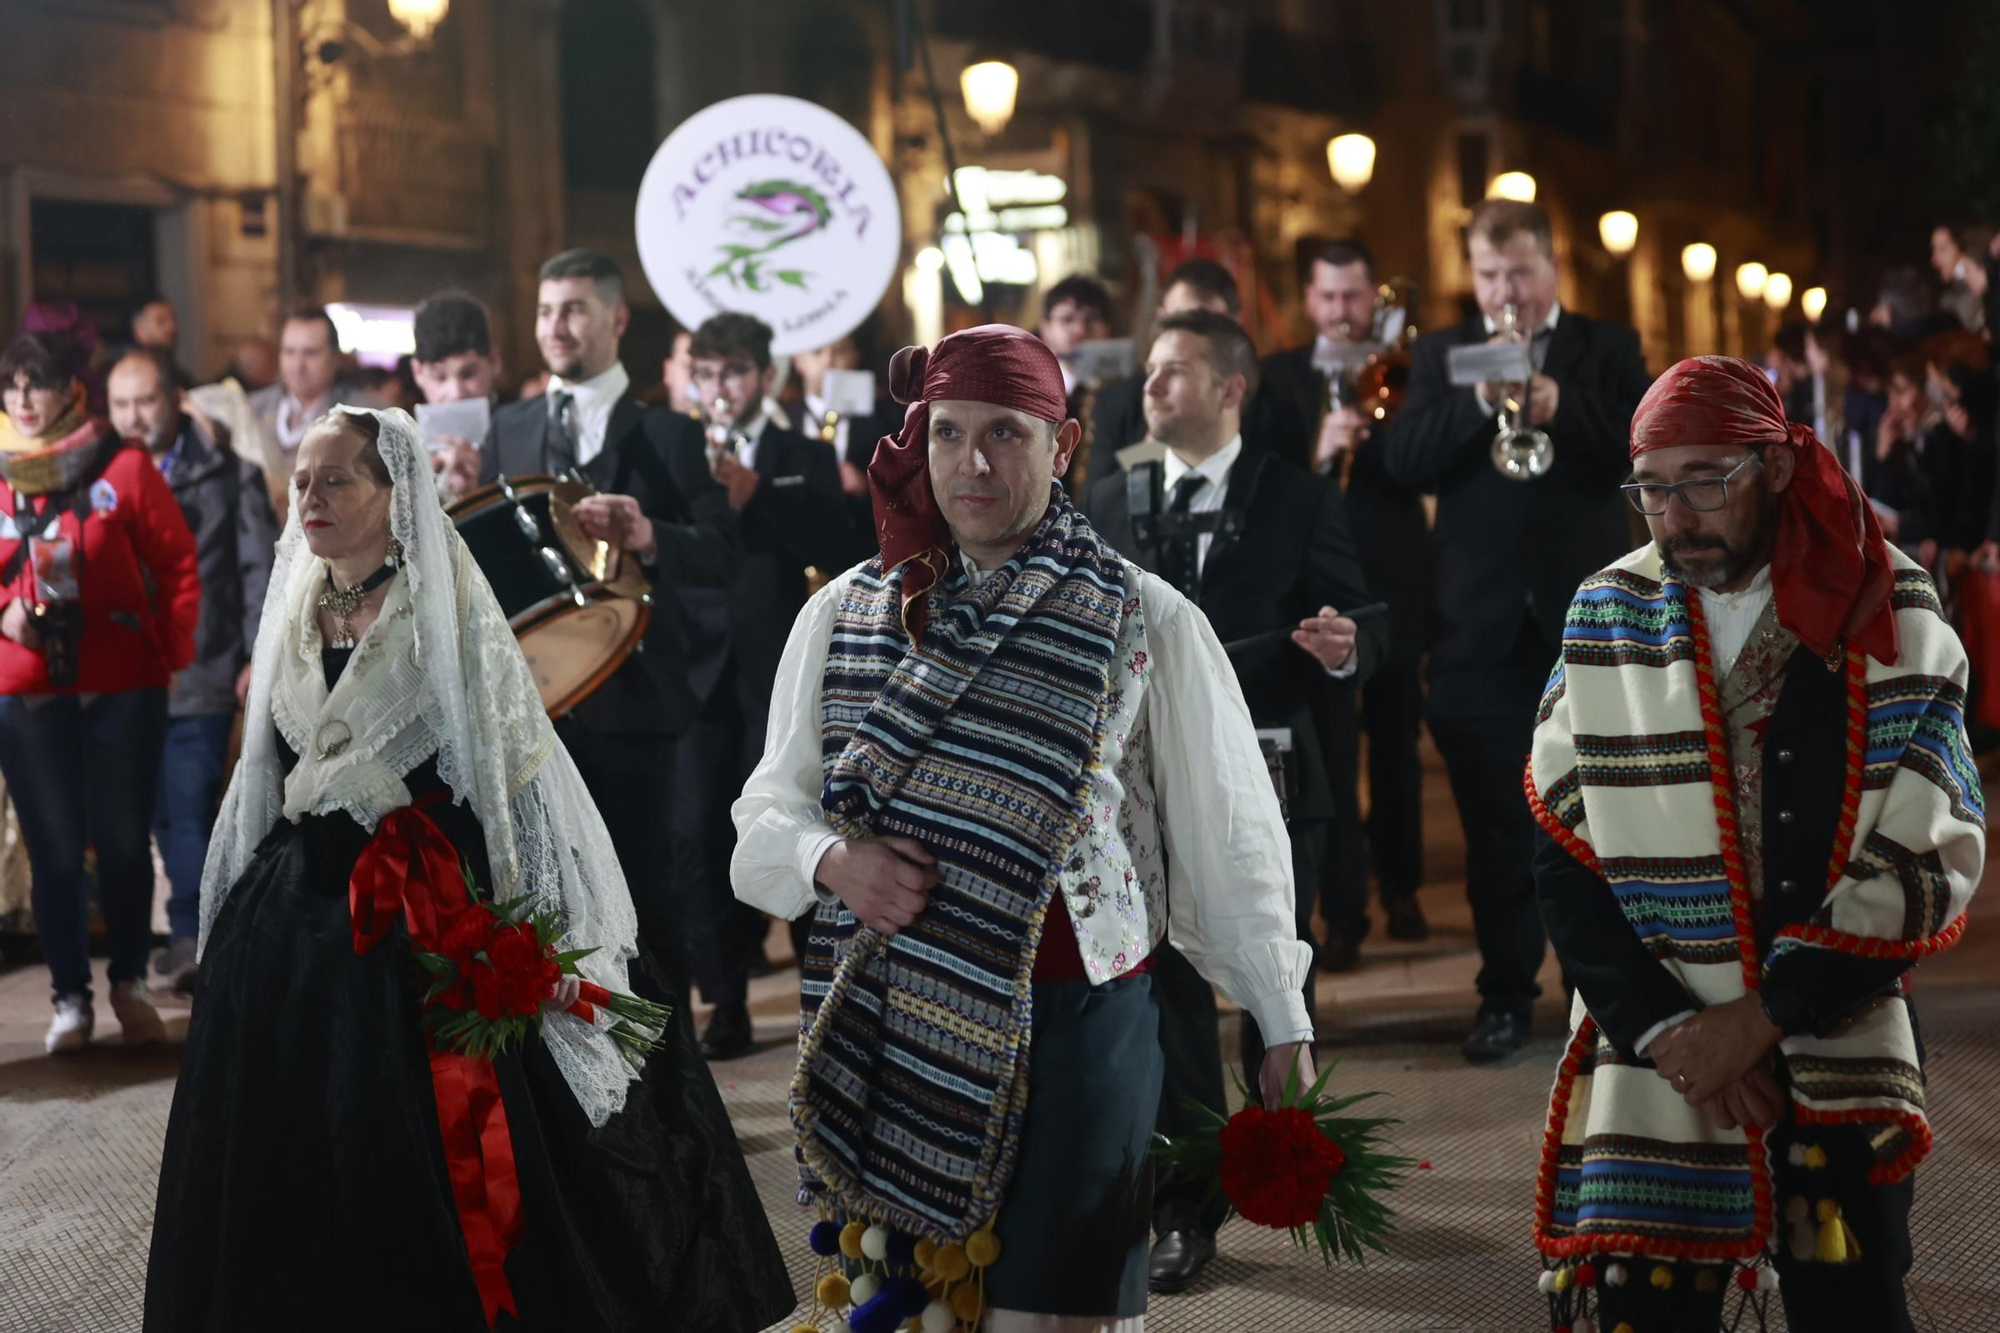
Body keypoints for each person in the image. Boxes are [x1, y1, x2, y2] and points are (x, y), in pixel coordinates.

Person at [144, 406, 790, 1332]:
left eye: (339, 480)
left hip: (427, 897)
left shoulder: (442, 604)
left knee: (464, 1141)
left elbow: (505, 766)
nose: (313, 499)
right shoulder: (292, 606)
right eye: (302, 482)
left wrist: (514, 921)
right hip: (296, 913)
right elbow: (265, 776)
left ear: (394, 492)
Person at [733, 323, 1315, 1331]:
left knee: (1061, 1312)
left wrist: (1278, 1010)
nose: (972, 461)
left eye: (1004, 433)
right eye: (948, 433)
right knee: (914, 1309)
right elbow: (764, 812)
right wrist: (832, 860)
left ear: (1065, 441)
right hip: (898, 1022)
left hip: (1083, 1025)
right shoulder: (844, 613)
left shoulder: (1143, 615)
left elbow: (1229, 832)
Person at [1526, 355, 1981, 1333]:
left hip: (1828, 1028)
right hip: (1657, 1047)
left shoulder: (1885, 609)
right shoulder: (1602, 615)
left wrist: (1759, 1019)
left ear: (1773, 469)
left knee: (1848, 1300)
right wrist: (1671, 1031)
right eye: (1650, 488)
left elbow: (1922, 852)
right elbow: (1562, 850)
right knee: (1648, 1311)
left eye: (1704, 480)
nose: (1674, 514)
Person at [1081, 309, 1383, 1296]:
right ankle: (1184, 1206)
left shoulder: (1294, 495)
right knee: (1163, 995)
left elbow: (1362, 614)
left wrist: (1350, 643)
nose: (1148, 390)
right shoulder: (1108, 495)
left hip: (1270, 770)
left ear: (1230, 389)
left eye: (1172, 373)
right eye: (1147, 374)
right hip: (1141, 785)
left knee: (1267, 985)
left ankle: (1287, 1166)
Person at [1385, 198, 1652, 1064]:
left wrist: (1557, 400)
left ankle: (1598, 998)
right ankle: (1504, 993)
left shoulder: (1605, 348)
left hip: (1589, 626)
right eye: (1490, 274)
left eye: (1520, 272)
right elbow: (1404, 458)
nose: (1505, 290)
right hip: (1478, 630)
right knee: (1495, 829)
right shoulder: (1443, 354)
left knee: (1598, 825)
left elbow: (1637, 451)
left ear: (1554, 267)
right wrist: (1479, 401)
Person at [479, 248, 740, 1002]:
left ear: (616, 319)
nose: (555, 326)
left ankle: (667, 1095)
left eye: (574, 309)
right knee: (546, 905)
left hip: (639, 708)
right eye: (544, 310)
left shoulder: (672, 436)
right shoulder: (511, 427)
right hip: (534, 716)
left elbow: (723, 555)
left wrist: (650, 533)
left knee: (649, 903)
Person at [0, 332, 200, 1054]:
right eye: (12, 383)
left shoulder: (123, 464)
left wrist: (168, 652)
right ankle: (69, 998)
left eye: (38, 382)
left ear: (71, 391)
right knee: (54, 850)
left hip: (121, 683)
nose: (23, 398)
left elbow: (179, 563)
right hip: (26, 688)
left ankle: (130, 982)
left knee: (120, 840)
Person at [674, 311, 852, 1059]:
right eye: (707, 374)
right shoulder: (676, 449)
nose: (720, 389)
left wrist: (759, 496)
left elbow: (840, 542)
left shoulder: (802, 454)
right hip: (694, 674)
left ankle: (823, 994)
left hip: (778, 673)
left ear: (765, 375)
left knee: (796, 821)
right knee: (697, 834)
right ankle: (726, 999)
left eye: (735, 373)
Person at [1263, 238, 1434, 958]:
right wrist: (1318, 453)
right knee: (1328, 750)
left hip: (1392, 581)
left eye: (1353, 297)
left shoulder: (1406, 370)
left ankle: (1403, 886)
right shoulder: (1278, 378)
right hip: (1315, 595)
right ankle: (1343, 910)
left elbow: (1427, 464)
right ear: (1308, 299)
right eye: (1327, 296)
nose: (1340, 310)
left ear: (1373, 299)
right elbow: (1268, 478)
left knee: (1396, 743)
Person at [107, 348, 278, 994]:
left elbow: (257, 566)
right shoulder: (105, 475)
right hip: (126, 673)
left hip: (202, 665)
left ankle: (192, 937)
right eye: (120, 404)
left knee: (189, 803)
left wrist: (258, 651)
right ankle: (191, 934)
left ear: (175, 399)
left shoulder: (227, 472)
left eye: (145, 401)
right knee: (152, 811)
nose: (133, 417)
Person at [247, 307, 380, 465]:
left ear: (335, 358)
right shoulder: (251, 410)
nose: (298, 365)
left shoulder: (365, 417)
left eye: (310, 353)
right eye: (289, 352)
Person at [411, 290, 502, 499]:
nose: (456, 394)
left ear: (494, 362)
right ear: (418, 372)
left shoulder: (525, 434)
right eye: (440, 377)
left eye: (468, 374)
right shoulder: (399, 449)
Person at [126, 296, 194, 388]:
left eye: (173, 319)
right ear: (139, 331)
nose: (172, 327)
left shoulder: (176, 376)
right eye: (161, 321)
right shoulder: (128, 376)